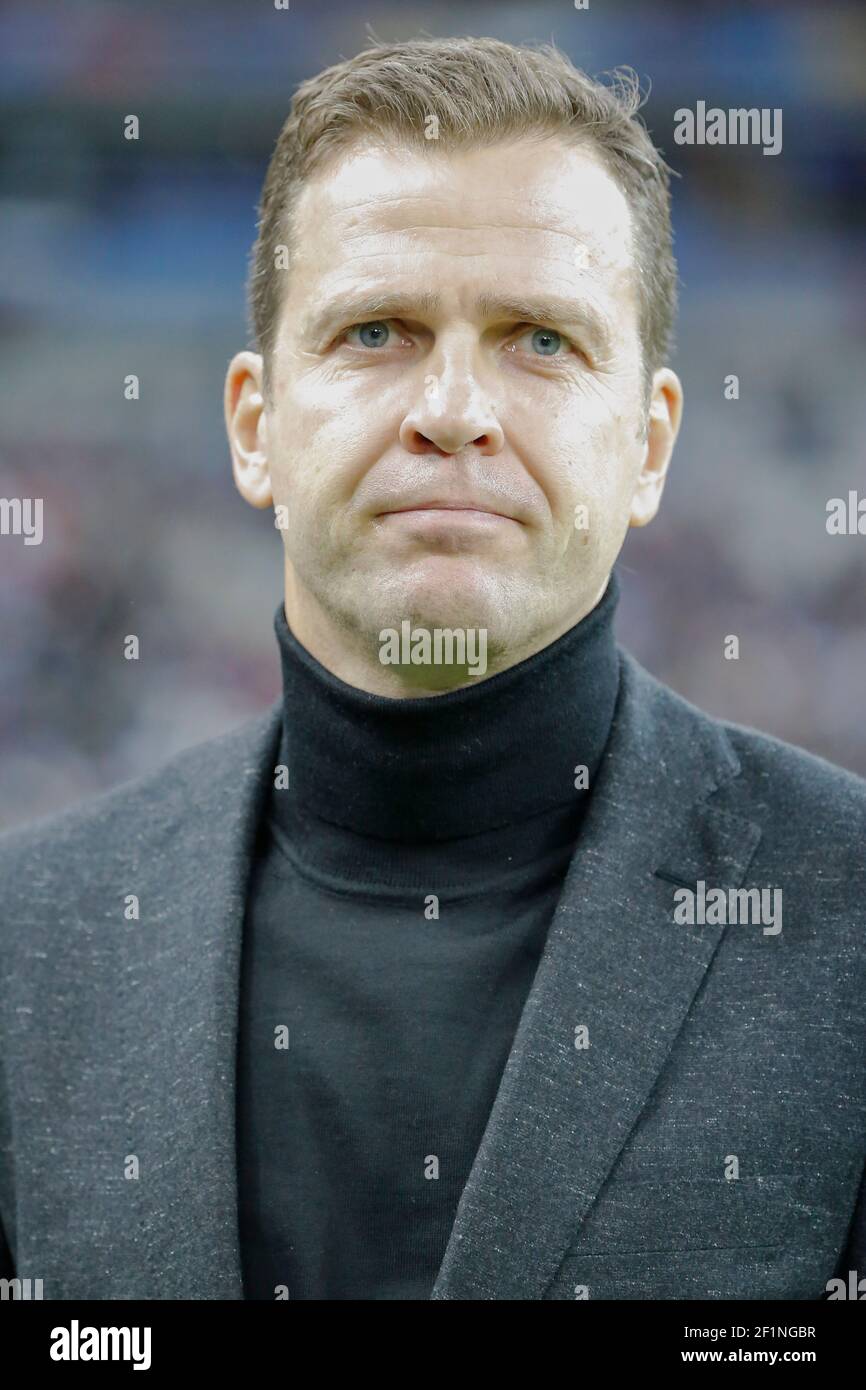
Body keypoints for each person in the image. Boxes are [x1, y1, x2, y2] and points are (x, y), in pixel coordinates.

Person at [1, 36, 863, 1302]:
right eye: (375, 331)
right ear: (255, 427)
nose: (452, 407)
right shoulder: (28, 946)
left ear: (647, 445)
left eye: (541, 341)